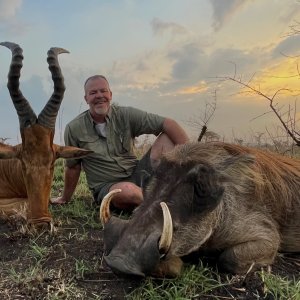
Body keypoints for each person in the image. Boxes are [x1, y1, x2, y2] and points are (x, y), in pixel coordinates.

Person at [51, 75, 189, 210]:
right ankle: (172, 208)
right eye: (93, 93)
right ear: (86, 99)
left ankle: (185, 183)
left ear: (110, 95)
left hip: (138, 173)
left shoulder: (126, 114)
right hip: (109, 185)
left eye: (103, 91)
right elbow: (73, 167)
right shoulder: (73, 128)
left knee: (167, 138)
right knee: (129, 191)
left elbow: (168, 123)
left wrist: (194, 160)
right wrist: (65, 198)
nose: (99, 96)